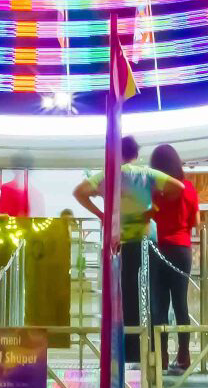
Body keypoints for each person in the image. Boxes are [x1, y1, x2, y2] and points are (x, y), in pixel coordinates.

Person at [75, 136, 188, 370]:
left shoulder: (109, 175)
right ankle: (152, 354)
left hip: (120, 245)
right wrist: (155, 206)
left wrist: (102, 214)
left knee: (123, 299)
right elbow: (179, 187)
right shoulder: (146, 174)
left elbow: (79, 192)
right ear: (137, 153)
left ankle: (126, 355)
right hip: (148, 243)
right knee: (150, 299)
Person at [148, 144, 198, 374]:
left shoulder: (155, 189)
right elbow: (195, 222)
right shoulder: (188, 188)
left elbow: (149, 217)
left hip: (159, 249)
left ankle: (162, 356)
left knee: (159, 305)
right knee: (181, 304)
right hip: (182, 250)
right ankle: (184, 356)